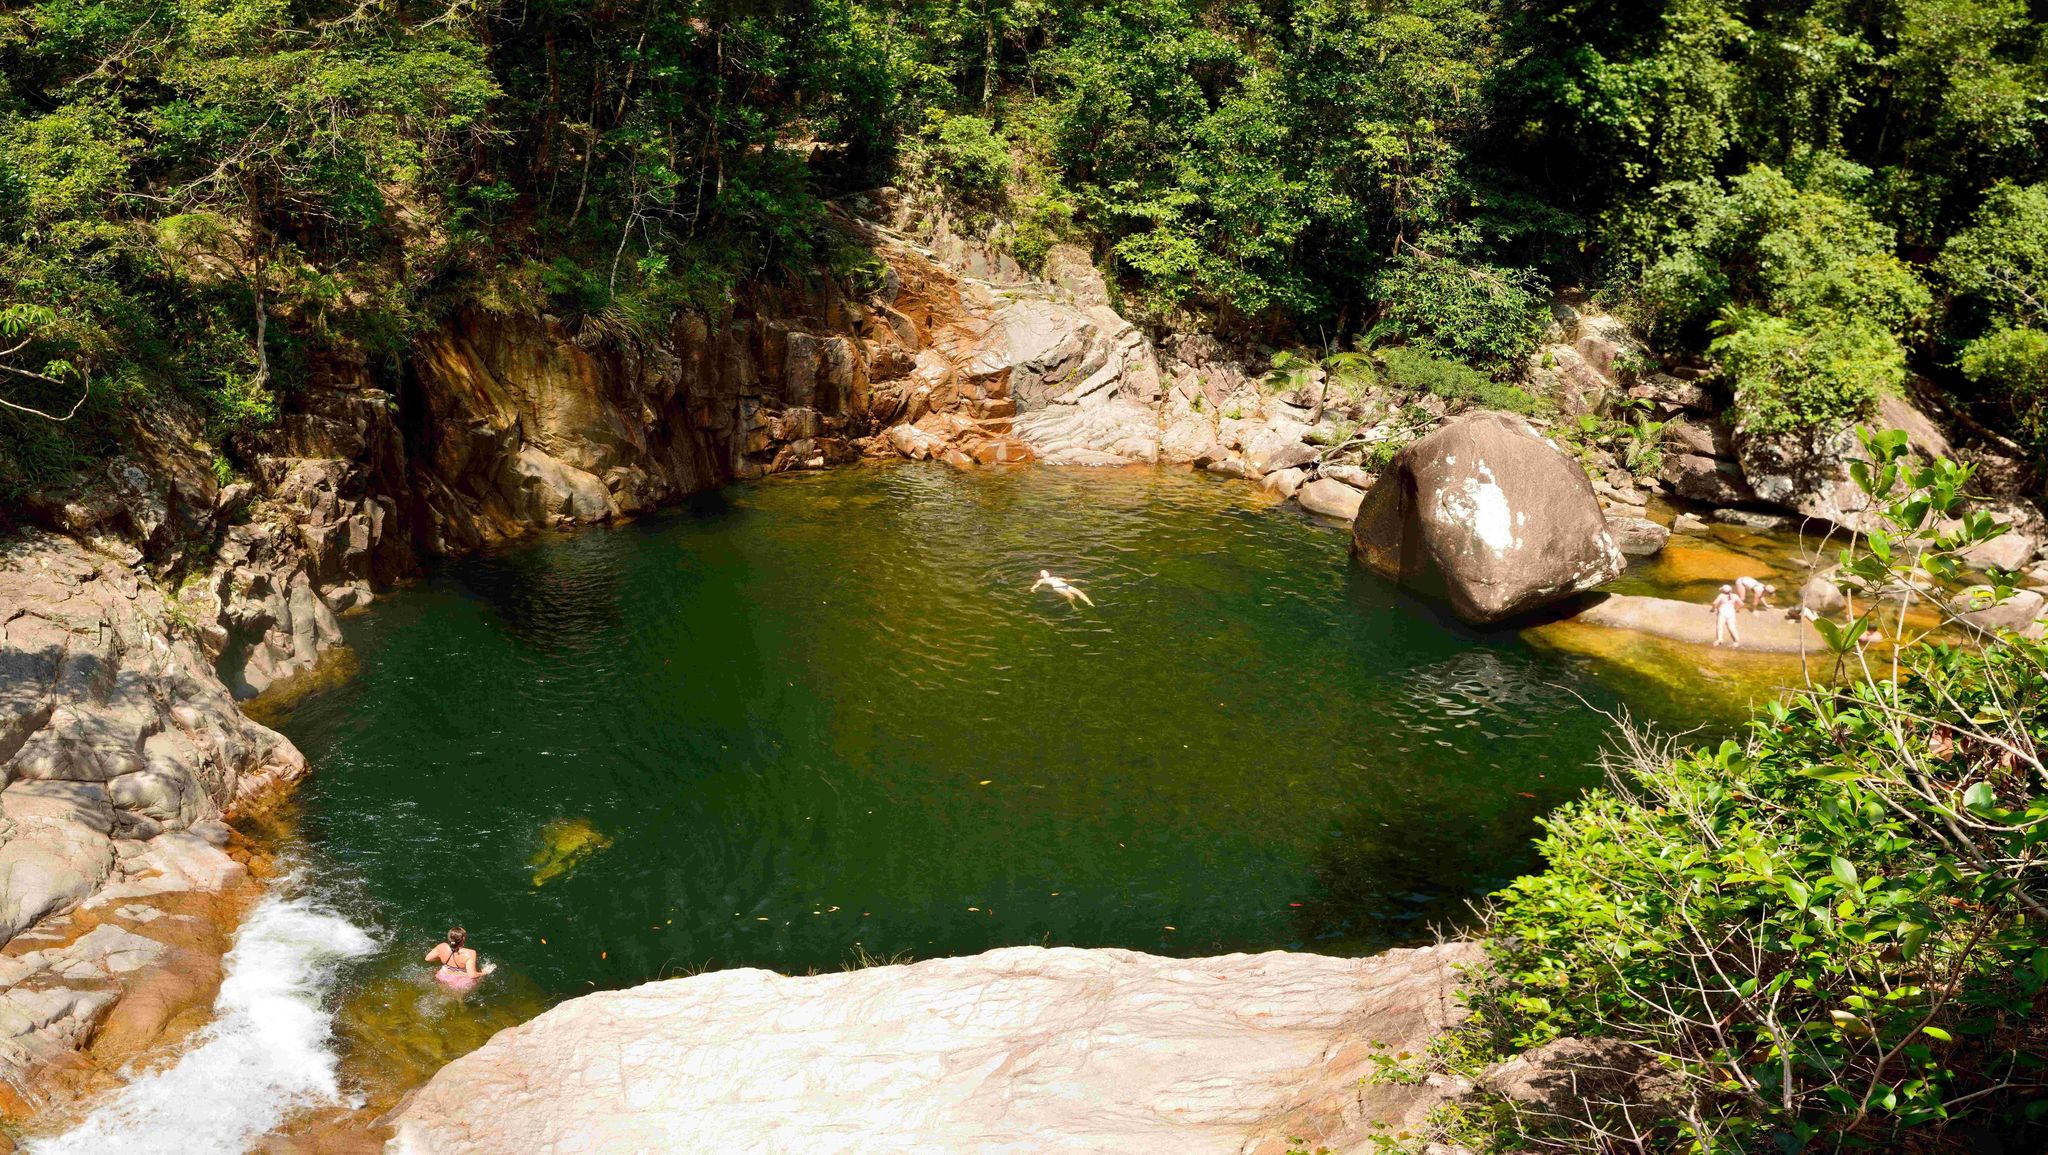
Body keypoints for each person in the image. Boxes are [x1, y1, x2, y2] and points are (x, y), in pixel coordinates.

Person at [425, 926, 493, 989]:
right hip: (461, 982)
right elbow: (472, 975)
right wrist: (484, 972)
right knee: (478, 980)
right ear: (463, 939)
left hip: (443, 976)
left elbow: (428, 958)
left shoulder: (442, 946)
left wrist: (442, 957)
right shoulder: (470, 953)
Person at [1030, 570, 1094, 606]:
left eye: (1046, 572)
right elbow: (1035, 586)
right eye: (1043, 573)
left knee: (1079, 592)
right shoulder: (1041, 580)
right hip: (1058, 587)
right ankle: (1073, 606)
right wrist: (1032, 589)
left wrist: (1079, 580)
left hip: (1065, 585)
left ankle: (1089, 602)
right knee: (1071, 597)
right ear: (1041, 575)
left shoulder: (1055, 577)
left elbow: (1068, 580)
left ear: (1049, 573)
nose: (1045, 573)